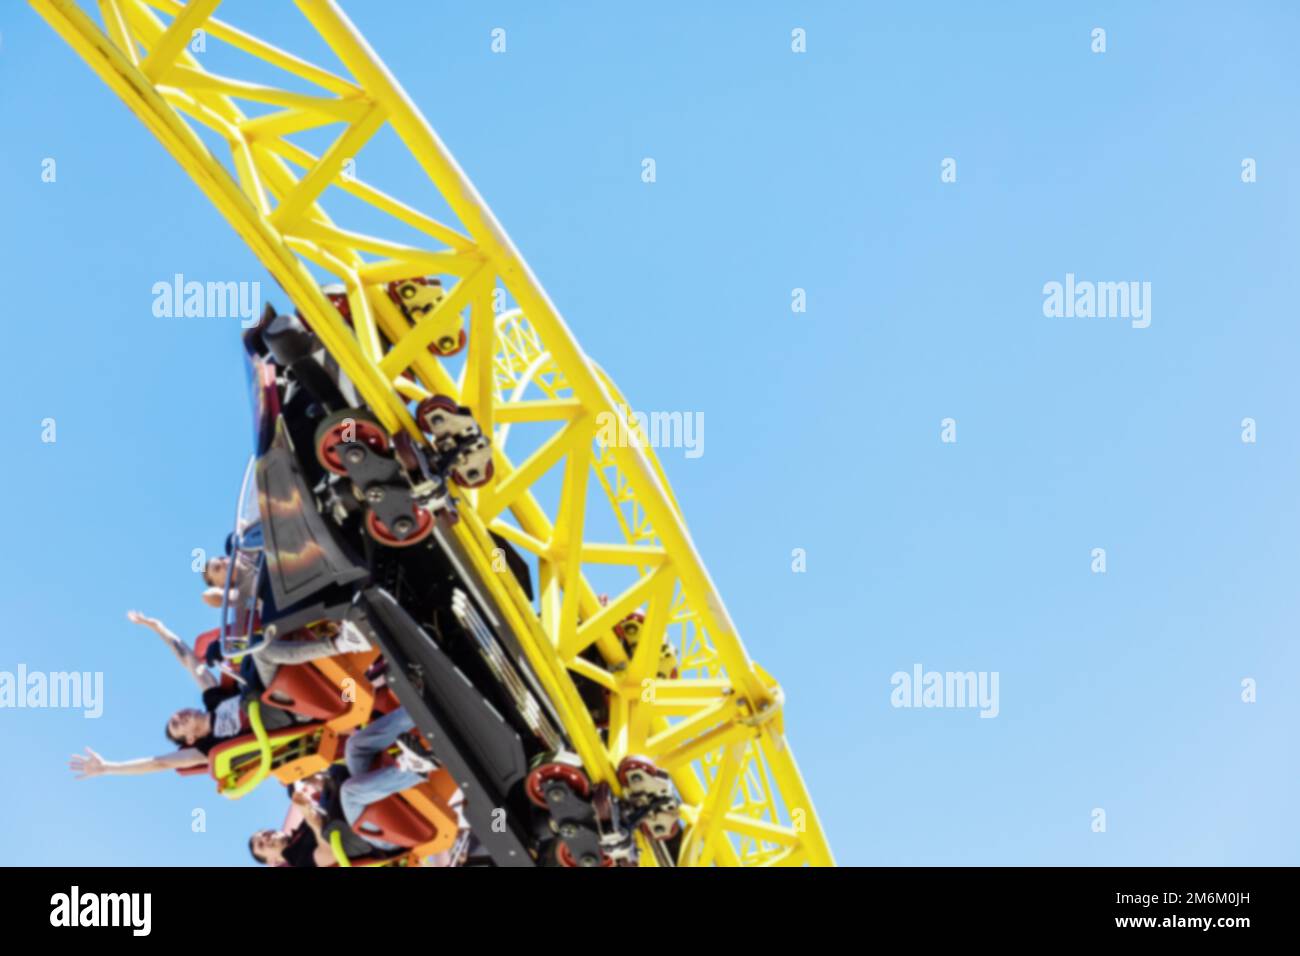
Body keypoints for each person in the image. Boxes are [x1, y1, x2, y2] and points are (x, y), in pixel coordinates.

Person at [338, 707, 438, 852]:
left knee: (355, 748)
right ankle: (414, 769)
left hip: (366, 804)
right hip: (382, 839)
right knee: (349, 793)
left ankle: (414, 711)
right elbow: (324, 854)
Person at [250, 790, 337, 867]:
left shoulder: (299, 830)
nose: (266, 837)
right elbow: (330, 855)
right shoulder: (297, 860)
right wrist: (314, 823)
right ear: (272, 861)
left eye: (265, 833)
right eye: (261, 845)